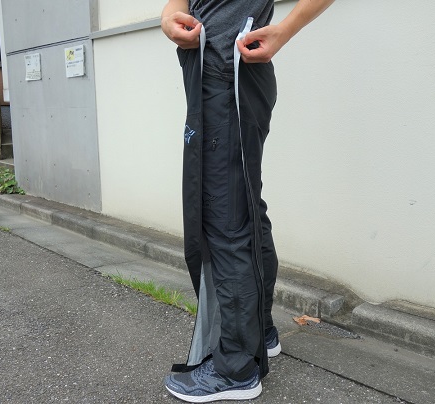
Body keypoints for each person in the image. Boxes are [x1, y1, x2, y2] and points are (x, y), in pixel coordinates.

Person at [161, 0, 335, 402]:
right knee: (243, 209)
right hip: (219, 74)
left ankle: (236, 369)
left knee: (226, 219)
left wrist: (285, 30)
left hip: (229, 75)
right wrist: (169, 19)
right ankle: (259, 331)